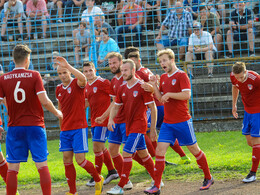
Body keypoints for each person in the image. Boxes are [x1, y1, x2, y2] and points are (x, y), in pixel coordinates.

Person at [145, 48, 213, 194]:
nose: (162, 63)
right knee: (160, 151)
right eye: (160, 61)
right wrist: (154, 85)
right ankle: (157, 186)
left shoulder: (181, 75)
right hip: (168, 123)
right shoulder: (163, 77)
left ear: (172, 60)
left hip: (182, 121)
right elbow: (160, 98)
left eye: (165, 60)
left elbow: (187, 95)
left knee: (195, 151)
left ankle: (208, 177)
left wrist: (169, 94)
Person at [0, 44, 63, 195]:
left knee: (13, 169)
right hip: (35, 125)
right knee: (41, 165)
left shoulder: (3, 78)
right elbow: (45, 100)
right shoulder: (34, 75)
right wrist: (57, 113)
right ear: (27, 59)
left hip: (15, 127)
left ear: (13, 60)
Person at [127, 51, 191, 165]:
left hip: (154, 107)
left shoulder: (138, 74)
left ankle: (156, 160)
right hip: (161, 104)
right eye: (160, 61)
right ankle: (183, 156)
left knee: (146, 132)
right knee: (165, 134)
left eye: (132, 61)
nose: (131, 64)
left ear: (138, 61)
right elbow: (157, 87)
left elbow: (144, 88)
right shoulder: (146, 70)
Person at [106, 59, 157, 194]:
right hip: (129, 125)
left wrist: (153, 130)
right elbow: (116, 106)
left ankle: (121, 186)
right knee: (143, 154)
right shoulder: (122, 88)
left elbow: (153, 107)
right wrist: (110, 119)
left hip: (139, 125)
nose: (123, 73)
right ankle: (157, 179)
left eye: (126, 70)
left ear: (133, 71)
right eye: (122, 70)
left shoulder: (142, 86)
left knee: (127, 152)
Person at [55, 57, 104, 195]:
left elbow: (83, 78)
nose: (62, 75)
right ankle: (72, 191)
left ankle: (97, 178)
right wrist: (61, 128)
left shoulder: (77, 83)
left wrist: (68, 66)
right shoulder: (58, 89)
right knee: (66, 160)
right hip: (65, 130)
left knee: (80, 160)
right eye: (60, 73)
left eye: (64, 72)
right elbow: (60, 111)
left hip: (78, 128)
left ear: (69, 72)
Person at [83, 61, 119, 187]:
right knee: (102, 148)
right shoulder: (87, 85)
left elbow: (115, 100)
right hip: (94, 120)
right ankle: (112, 172)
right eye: (85, 71)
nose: (88, 73)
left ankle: (96, 176)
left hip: (103, 121)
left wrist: (106, 116)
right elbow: (86, 103)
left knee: (96, 148)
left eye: (90, 70)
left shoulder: (103, 83)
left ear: (95, 70)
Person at [230, 62, 260, 183]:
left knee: (256, 142)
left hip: (258, 112)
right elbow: (235, 86)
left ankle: (252, 173)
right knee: (250, 142)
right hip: (247, 112)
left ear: (245, 71)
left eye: (241, 77)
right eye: (237, 77)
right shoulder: (234, 77)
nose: (239, 80)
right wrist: (234, 104)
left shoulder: (256, 78)